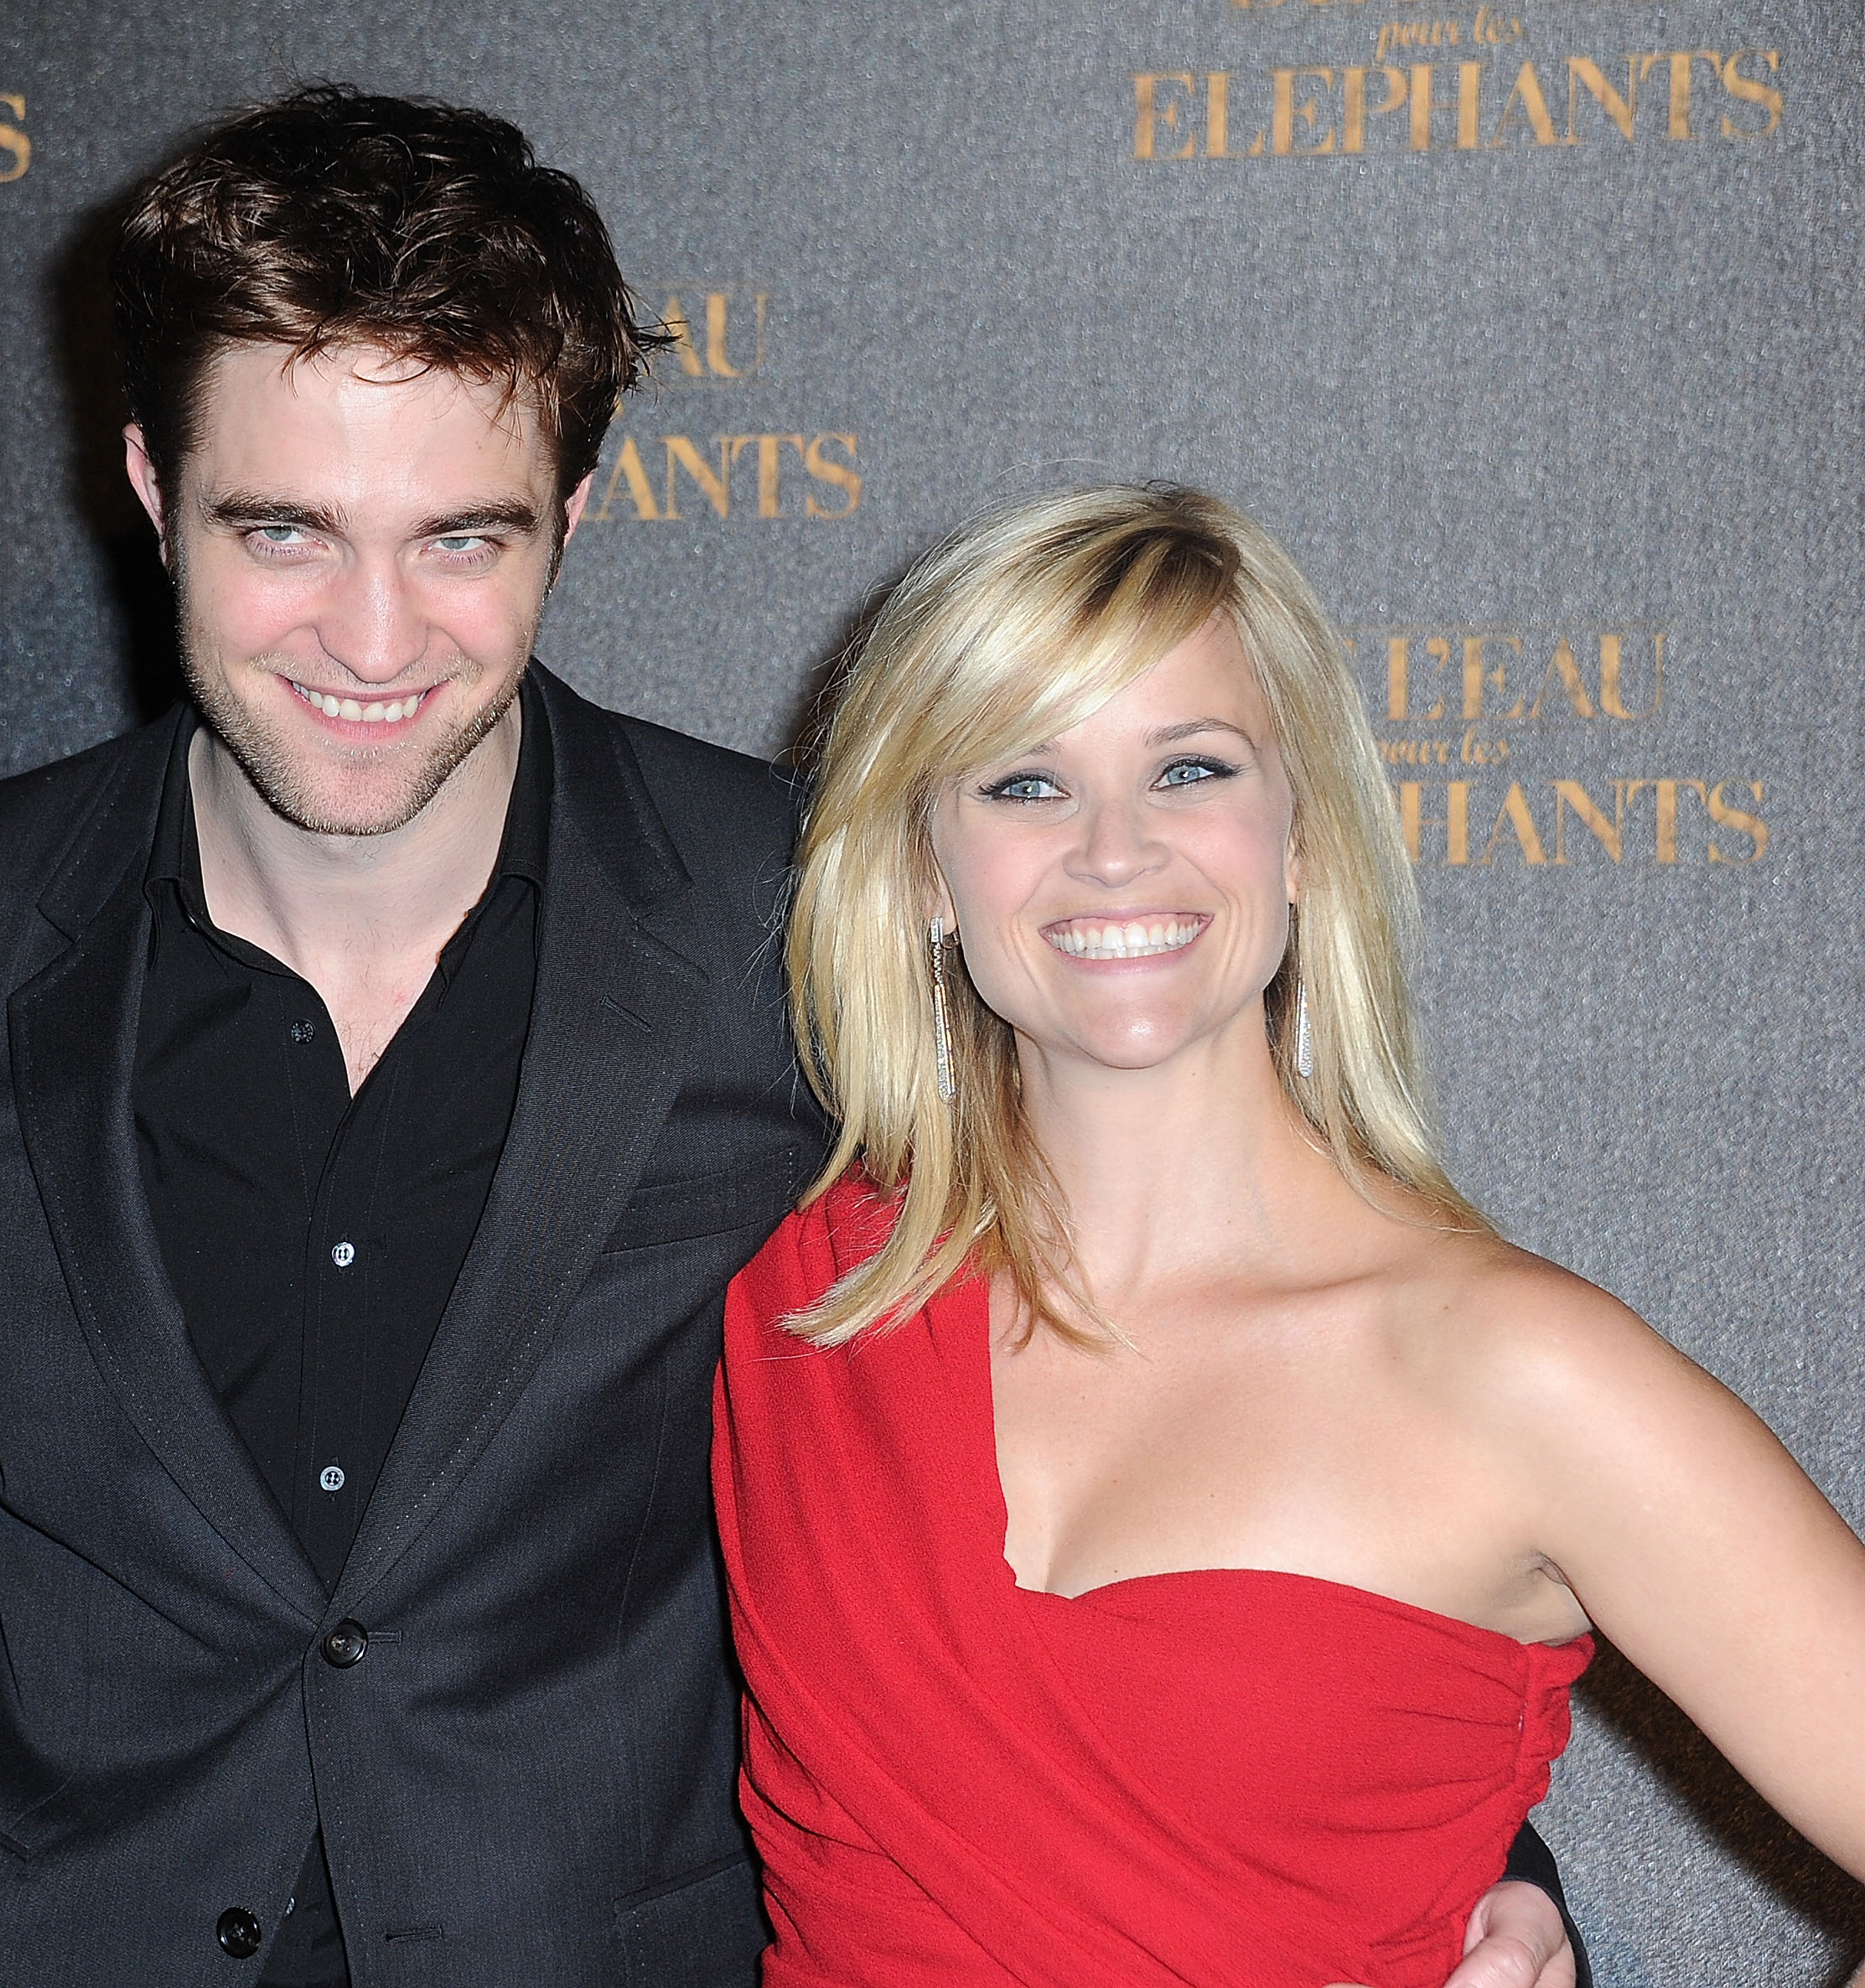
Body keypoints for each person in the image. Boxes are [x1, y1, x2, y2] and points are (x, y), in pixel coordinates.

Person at [0, 90, 1579, 1988]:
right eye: (286, 531)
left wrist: (1464, 1854)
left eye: (462, 539)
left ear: (575, 515)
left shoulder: (790, 911)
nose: (374, 638)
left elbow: (1171, 1346)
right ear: (149, 485)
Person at [713, 484, 1865, 1987]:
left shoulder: (1518, 1372)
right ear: (927, 870)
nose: (1114, 849)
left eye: (1188, 769)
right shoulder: (798, 1300)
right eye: (1026, 783)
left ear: (1305, 832)